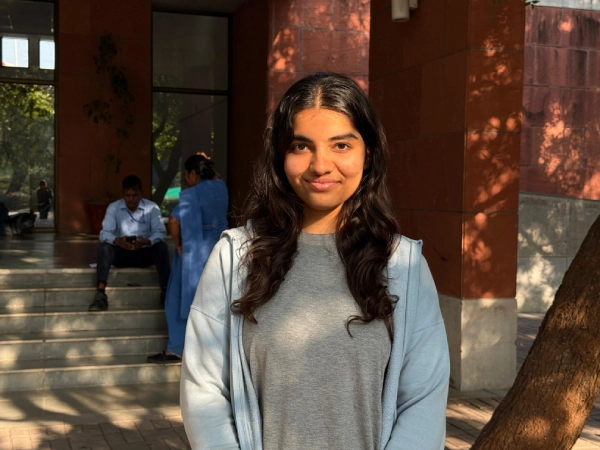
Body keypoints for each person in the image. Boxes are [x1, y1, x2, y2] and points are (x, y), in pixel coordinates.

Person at [180, 73, 450, 449]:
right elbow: (204, 389)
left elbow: (422, 399)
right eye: (301, 146)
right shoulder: (236, 256)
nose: (320, 165)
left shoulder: (402, 263)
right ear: (280, 154)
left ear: (367, 152)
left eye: (341, 145)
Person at [147, 154, 228, 364]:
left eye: (187, 174)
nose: (186, 179)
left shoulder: (192, 194)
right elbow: (216, 176)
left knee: (176, 299)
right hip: (218, 250)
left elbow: (173, 221)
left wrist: (179, 244)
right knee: (214, 299)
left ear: (193, 173)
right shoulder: (221, 188)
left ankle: (177, 349)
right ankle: (209, 350)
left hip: (194, 252)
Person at [88, 175, 171, 312]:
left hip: (143, 252)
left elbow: (160, 232)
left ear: (141, 194)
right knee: (105, 248)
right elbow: (104, 233)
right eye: (128, 195)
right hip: (122, 253)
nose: (131, 199)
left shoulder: (152, 208)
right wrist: (118, 241)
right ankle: (100, 294)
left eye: (135, 195)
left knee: (161, 247)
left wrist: (147, 241)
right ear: (123, 194)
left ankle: (166, 292)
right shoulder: (113, 208)